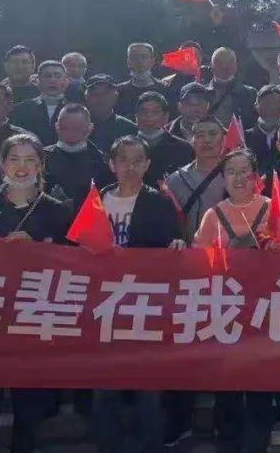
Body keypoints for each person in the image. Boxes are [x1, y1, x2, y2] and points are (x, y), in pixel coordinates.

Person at [0, 133, 71, 453]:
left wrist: (38, 248)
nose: (22, 167)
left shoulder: (57, 210)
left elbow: (72, 263)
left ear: (40, 165)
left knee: (28, 399)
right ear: (2, 164)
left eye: (30, 160)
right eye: (14, 159)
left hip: (34, 311)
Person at [193, 149, 280, 453]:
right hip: (226, 311)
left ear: (256, 177)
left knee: (261, 386)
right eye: (231, 172)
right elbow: (197, 261)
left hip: (265, 310)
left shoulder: (272, 208)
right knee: (227, 387)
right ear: (223, 178)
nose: (238, 178)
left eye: (244, 172)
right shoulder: (214, 215)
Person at [94, 135, 186, 453]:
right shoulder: (97, 200)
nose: (130, 167)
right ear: (112, 164)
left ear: (147, 165)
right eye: (123, 160)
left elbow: (174, 242)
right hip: (104, 306)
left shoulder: (159, 202)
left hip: (146, 305)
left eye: (137, 161)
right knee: (105, 387)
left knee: (149, 388)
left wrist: (177, 246)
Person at [166, 117, 228, 244]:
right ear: (192, 141)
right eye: (200, 135)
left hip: (226, 251)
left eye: (212, 134)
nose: (207, 140)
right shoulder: (175, 180)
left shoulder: (234, 177)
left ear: (223, 139)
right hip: (187, 251)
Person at [42, 103, 112, 209]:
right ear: (56, 127)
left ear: (89, 128)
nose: (69, 132)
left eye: (76, 128)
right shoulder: (40, 158)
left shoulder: (102, 162)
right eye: (64, 127)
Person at [134, 91, 193, 185]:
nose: (149, 117)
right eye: (144, 112)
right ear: (136, 117)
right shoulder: (125, 147)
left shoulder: (183, 148)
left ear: (166, 116)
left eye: (155, 112)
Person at [11, 60, 71, 146]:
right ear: (38, 81)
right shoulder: (21, 109)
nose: (52, 80)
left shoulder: (75, 109)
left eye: (58, 76)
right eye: (47, 76)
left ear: (66, 81)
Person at [83, 74, 137, 154]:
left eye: (106, 93)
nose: (101, 98)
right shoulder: (77, 126)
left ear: (116, 96)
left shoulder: (129, 128)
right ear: (86, 98)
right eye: (95, 93)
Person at [205, 47, 258, 127]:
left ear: (236, 65)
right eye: (219, 63)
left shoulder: (250, 94)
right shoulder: (202, 93)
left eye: (230, 63)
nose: (225, 67)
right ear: (211, 65)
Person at [114, 42, 168, 118]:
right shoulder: (119, 91)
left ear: (152, 61)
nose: (139, 61)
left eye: (144, 57)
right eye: (135, 57)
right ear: (128, 61)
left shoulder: (165, 88)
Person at [245, 85, 280, 175]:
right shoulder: (245, 137)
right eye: (266, 103)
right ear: (256, 106)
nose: (271, 108)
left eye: (275, 103)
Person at [161, 40, 205, 112]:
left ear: (201, 57)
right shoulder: (167, 83)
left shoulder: (210, 77)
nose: (191, 59)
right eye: (186, 56)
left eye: (195, 56)